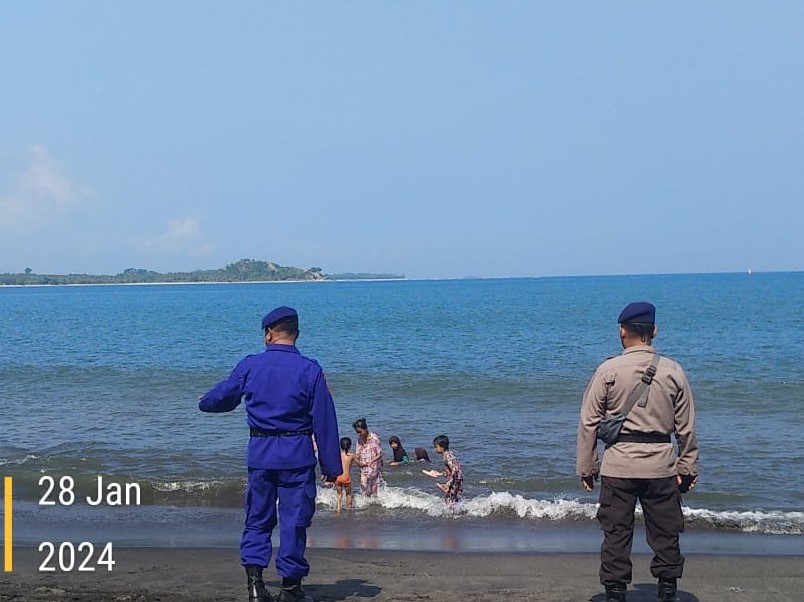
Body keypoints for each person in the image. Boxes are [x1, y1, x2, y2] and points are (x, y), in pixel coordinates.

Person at [199, 306, 341, 602]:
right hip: (297, 456)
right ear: (296, 334)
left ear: (269, 334)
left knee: (257, 519)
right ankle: (290, 589)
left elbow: (224, 397)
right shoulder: (310, 369)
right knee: (295, 521)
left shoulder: (251, 365)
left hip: (261, 455)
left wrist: (205, 401)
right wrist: (331, 466)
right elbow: (324, 420)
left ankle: (255, 585)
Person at [576, 302, 699, 602]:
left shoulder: (608, 370)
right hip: (661, 465)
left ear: (622, 332)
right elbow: (686, 427)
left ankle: (616, 594)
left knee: (616, 533)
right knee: (666, 532)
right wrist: (688, 466)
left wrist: (588, 466)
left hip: (618, 466)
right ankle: (667, 591)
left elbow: (588, 421)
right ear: (654, 331)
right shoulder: (673, 371)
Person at [426, 434, 464, 505]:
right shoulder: (447, 455)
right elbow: (450, 471)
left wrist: (449, 483)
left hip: (456, 479)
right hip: (457, 478)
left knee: (449, 498)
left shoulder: (448, 456)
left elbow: (455, 471)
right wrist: (441, 473)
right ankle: (456, 512)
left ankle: (453, 514)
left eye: (436, 447)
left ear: (442, 447)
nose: (435, 449)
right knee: (452, 498)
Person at [352, 418, 383, 496]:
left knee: (374, 491)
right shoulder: (359, 439)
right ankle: (364, 505)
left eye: (360, 432)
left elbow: (380, 454)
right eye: (357, 432)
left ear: (365, 429)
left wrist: (372, 461)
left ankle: (373, 507)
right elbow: (357, 454)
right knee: (364, 487)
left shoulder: (374, 438)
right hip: (364, 468)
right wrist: (357, 462)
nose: (359, 434)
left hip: (374, 468)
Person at [333, 437, 356, 513]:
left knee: (339, 494)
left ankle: (338, 509)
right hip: (346, 477)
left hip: (338, 476)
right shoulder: (352, 456)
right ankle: (349, 508)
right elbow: (360, 464)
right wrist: (366, 464)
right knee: (348, 494)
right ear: (350, 446)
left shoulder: (337, 455)